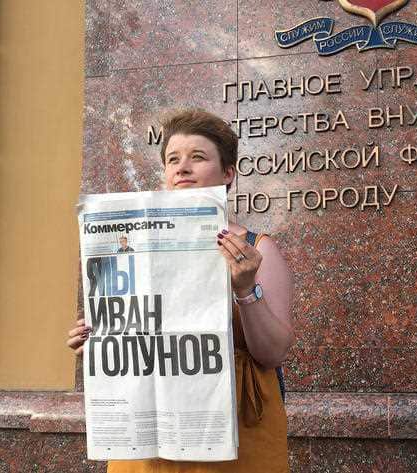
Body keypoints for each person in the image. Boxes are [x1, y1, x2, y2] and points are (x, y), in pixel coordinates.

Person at [66, 109, 296, 473]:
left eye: (198, 157)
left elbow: (271, 353)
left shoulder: (257, 249)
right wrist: (99, 345)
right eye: (173, 159)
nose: (182, 167)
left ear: (227, 174)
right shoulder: (130, 245)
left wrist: (245, 289)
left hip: (234, 437)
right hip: (148, 436)